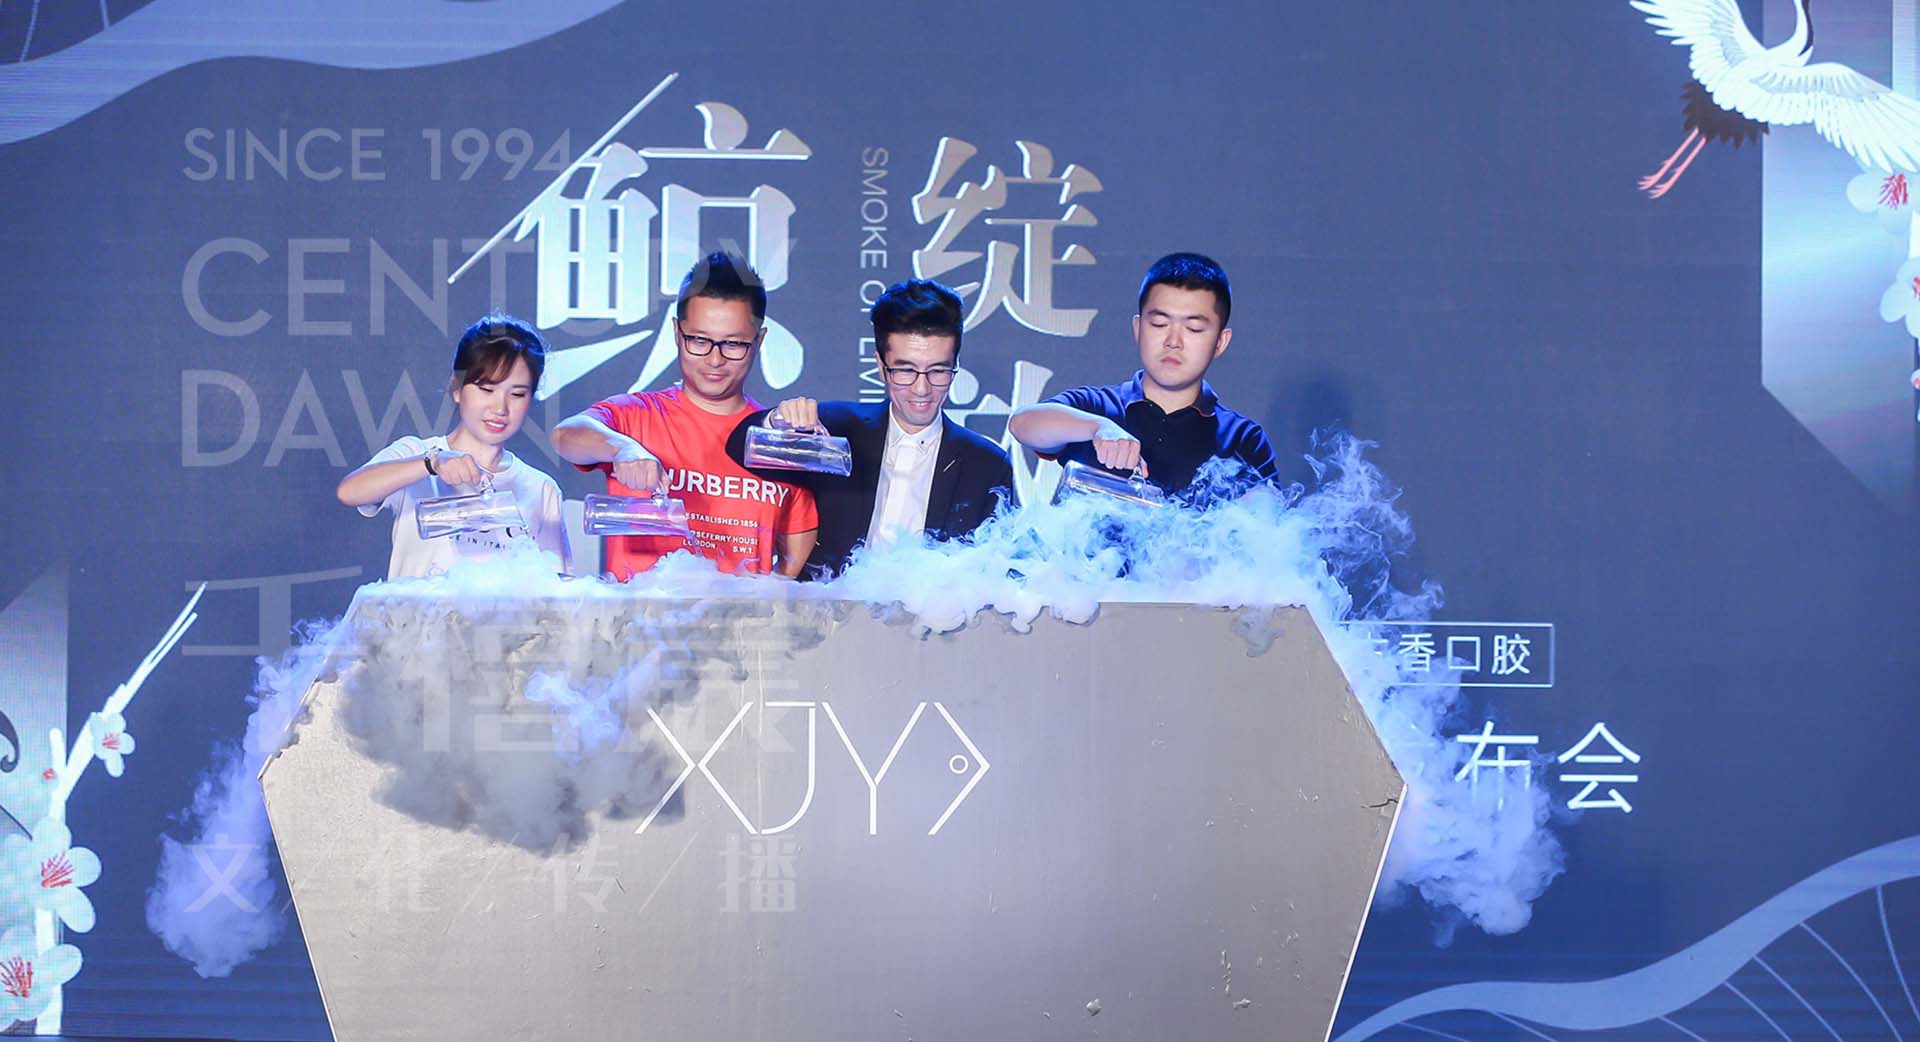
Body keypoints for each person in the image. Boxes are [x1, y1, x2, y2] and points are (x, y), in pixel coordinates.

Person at [551, 252, 817, 579]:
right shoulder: (637, 416)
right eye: (699, 340)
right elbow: (565, 436)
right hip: (642, 611)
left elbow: (797, 548)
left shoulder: (774, 441)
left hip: (743, 613)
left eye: (734, 344)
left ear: (759, 341)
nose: (715, 359)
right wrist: (624, 449)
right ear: (677, 333)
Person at [724, 279, 1013, 579]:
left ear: (955, 367)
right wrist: (776, 422)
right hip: (829, 604)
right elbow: (738, 448)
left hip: (934, 608)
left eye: (938, 371)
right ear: (881, 366)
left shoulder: (987, 465)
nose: (922, 388)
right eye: (905, 370)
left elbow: (997, 569)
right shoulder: (837, 429)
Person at [1008, 252, 1278, 501]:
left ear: (1220, 342)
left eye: (1194, 329)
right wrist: (1099, 428)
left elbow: (1266, 518)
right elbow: (1023, 424)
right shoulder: (1099, 406)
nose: (1173, 341)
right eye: (1159, 324)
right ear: (1138, 329)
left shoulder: (1240, 437)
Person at [337, 313, 571, 579]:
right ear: (457, 388)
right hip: (415, 608)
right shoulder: (416, 453)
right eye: (487, 390)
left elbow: (555, 588)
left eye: (517, 394)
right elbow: (350, 491)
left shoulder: (541, 488)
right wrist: (432, 463)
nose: (500, 408)